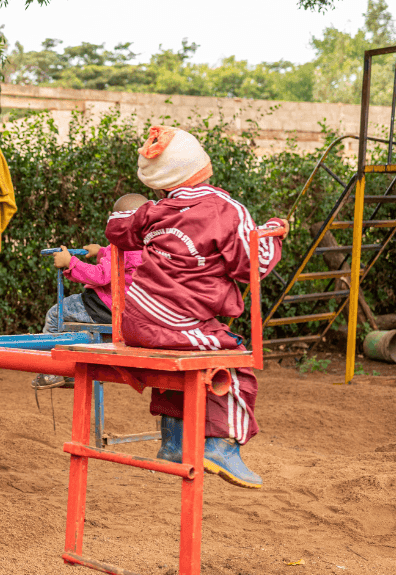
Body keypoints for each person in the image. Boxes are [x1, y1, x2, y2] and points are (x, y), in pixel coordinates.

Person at [105, 126, 288, 489]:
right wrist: (272, 233)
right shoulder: (226, 210)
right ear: (202, 164)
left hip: (136, 318)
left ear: (160, 181)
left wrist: (138, 214)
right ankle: (221, 447)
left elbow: (118, 229)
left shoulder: (155, 210)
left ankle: (174, 443)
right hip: (175, 320)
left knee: (179, 370)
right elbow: (253, 265)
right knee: (233, 365)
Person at [31, 193, 148, 390]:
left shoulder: (120, 244)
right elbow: (124, 263)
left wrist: (70, 263)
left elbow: (101, 275)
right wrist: (102, 251)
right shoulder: (148, 246)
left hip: (102, 306)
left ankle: (51, 372)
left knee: (55, 315)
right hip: (128, 311)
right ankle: (69, 371)